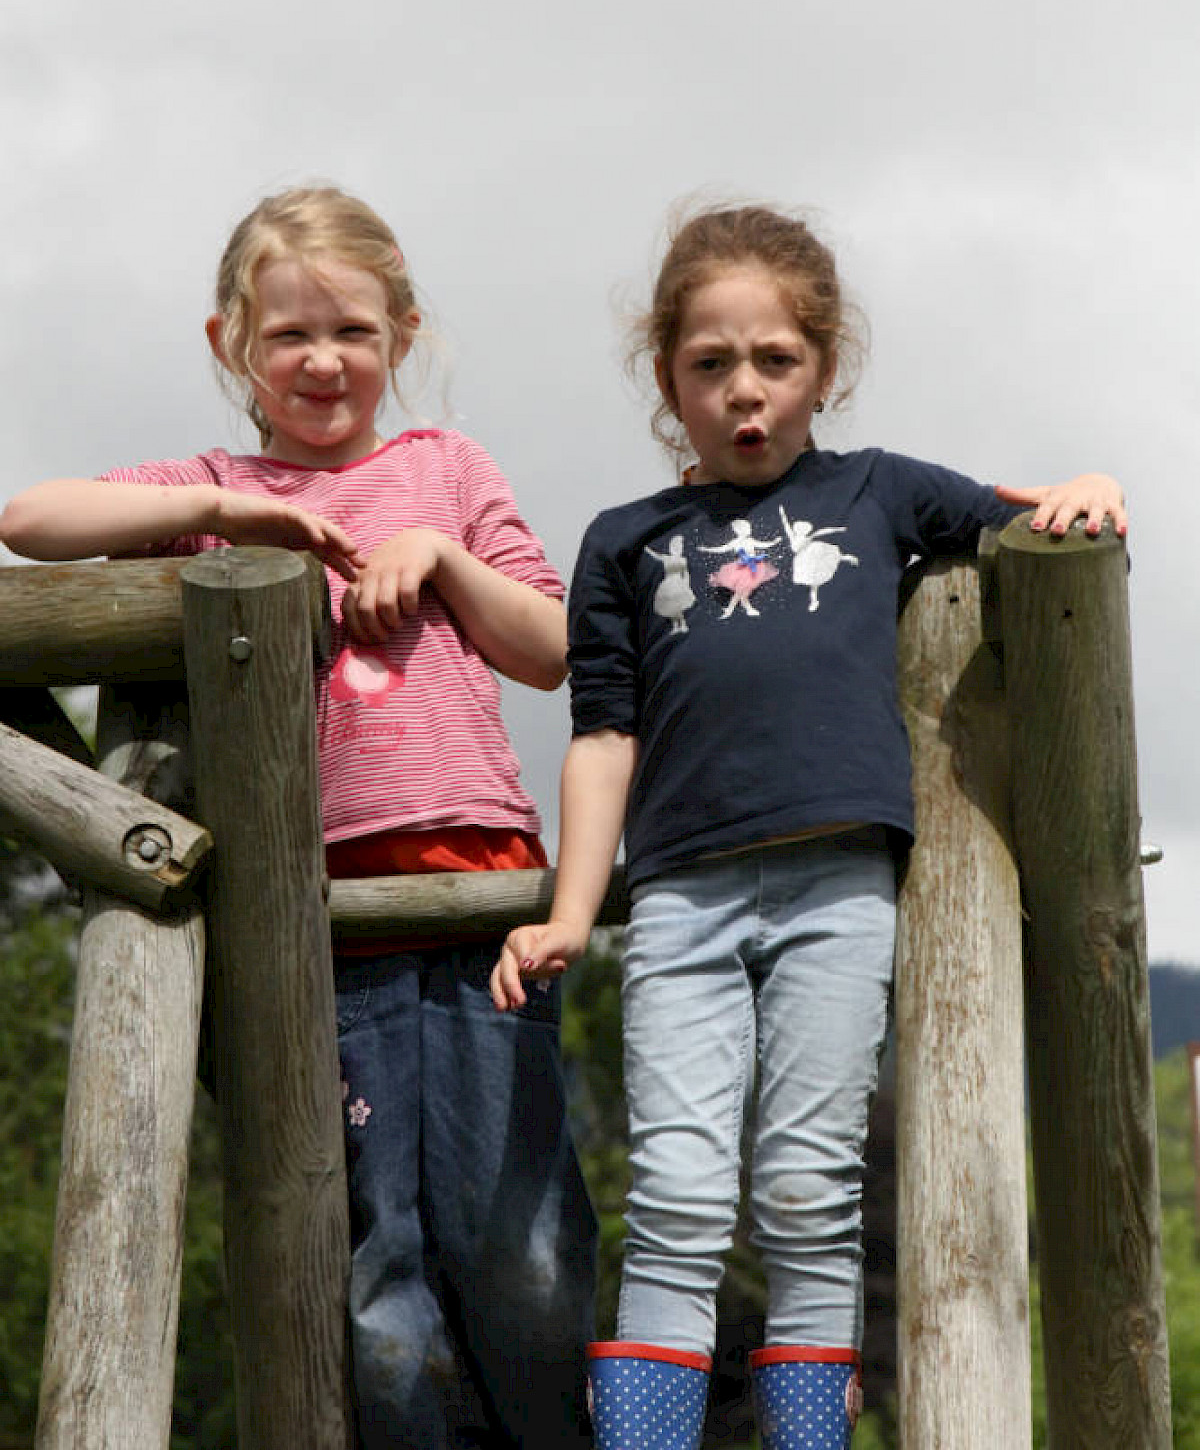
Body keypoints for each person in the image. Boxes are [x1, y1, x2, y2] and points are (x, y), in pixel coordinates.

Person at [489, 203, 1125, 1450]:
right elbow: (604, 736)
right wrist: (571, 911)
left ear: (825, 366)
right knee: (676, 1195)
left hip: (839, 892)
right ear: (667, 377)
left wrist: (1091, 488)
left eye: (776, 359)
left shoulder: (879, 490)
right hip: (679, 901)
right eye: (711, 362)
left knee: (806, 1190)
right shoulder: (627, 541)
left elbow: (1026, 523)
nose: (746, 389)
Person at [1, 186, 596, 1450]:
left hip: (480, 902)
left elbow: (552, 649)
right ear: (231, 343)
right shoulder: (215, 483)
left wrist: (439, 554)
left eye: (353, 331)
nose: (323, 360)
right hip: (316, 930)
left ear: (403, 335)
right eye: (288, 335)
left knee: (523, 1254)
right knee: (377, 1284)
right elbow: (29, 519)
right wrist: (232, 519)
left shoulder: (446, 470)